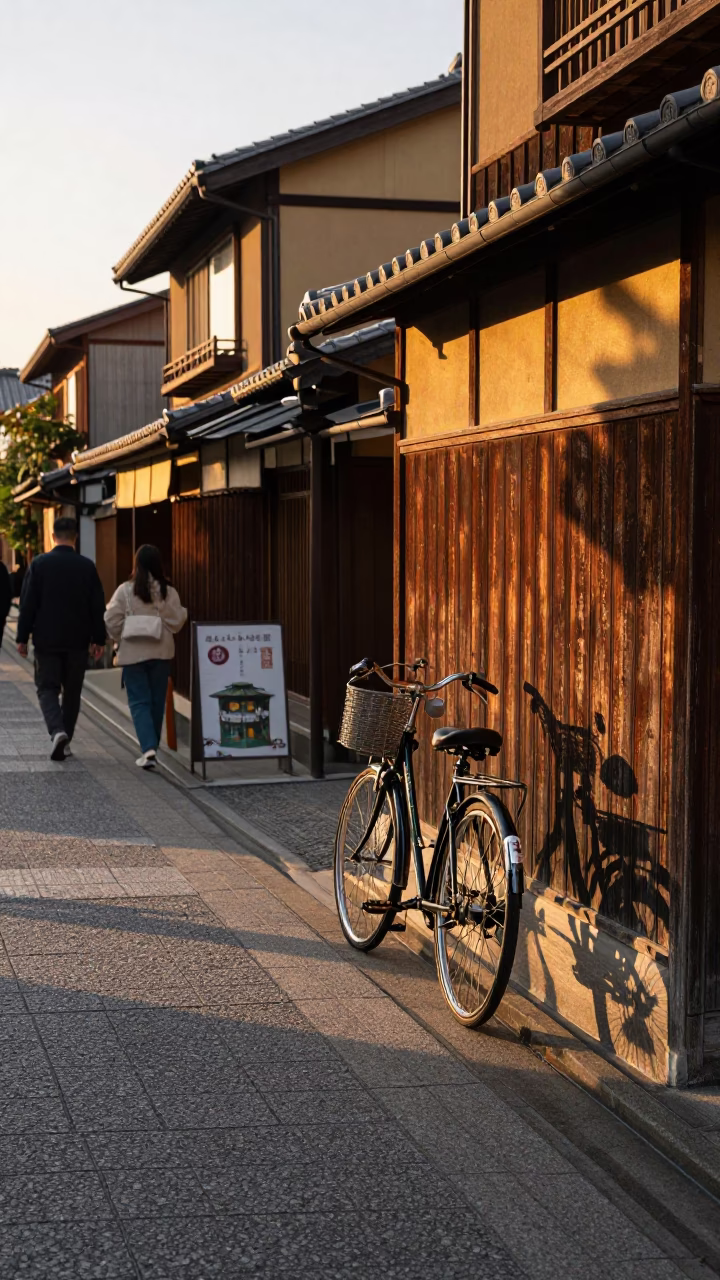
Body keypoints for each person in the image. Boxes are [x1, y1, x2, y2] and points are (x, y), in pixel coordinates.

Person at [17, 515, 106, 760]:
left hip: (46, 640)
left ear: (53, 536)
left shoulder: (39, 564)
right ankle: (65, 738)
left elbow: (28, 604)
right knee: (72, 691)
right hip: (78, 641)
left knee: (47, 687)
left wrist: (22, 637)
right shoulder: (86, 566)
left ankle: (57, 731)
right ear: (75, 538)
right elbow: (97, 605)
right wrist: (99, 639)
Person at [104, 545, 187, 770]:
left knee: (139, 701)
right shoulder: (168, 592)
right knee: (157, 701)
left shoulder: (124, 591)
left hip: (132, 655)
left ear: (136, 565)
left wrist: (120, 637)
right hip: (161, 653)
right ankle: (153, 747)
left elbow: (110, 620)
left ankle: (148, 748)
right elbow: (178, 622)